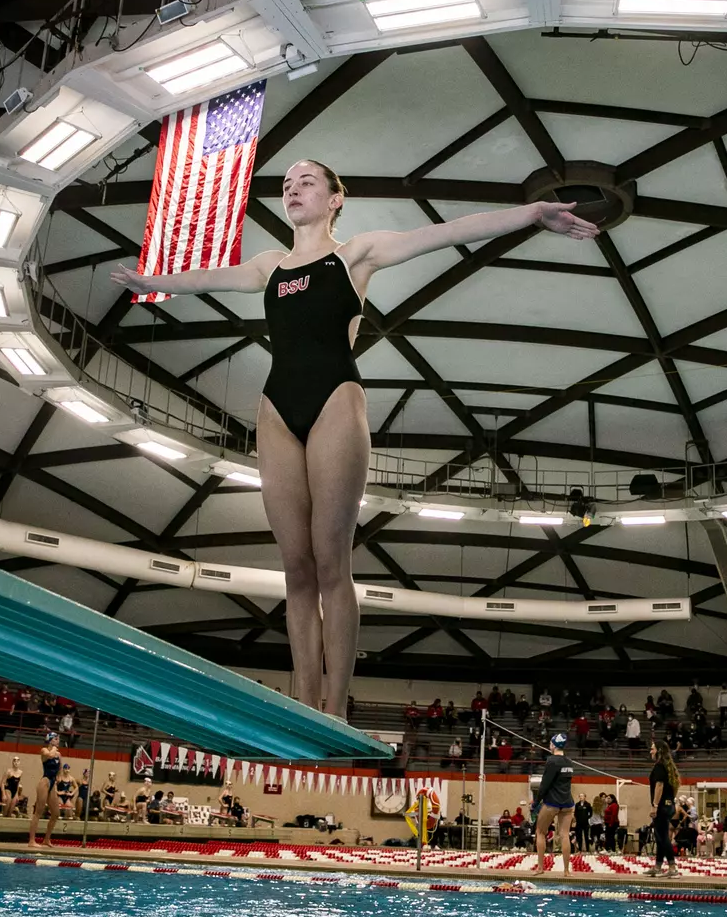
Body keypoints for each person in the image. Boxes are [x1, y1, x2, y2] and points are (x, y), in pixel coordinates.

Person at [114, 167, 595, 714]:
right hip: (276, 408)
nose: (293, 187)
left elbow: (448, 232)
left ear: (335, 199)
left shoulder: (355, 255)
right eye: (288, 182)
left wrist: (532, 214)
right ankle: (303, 701)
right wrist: (151, 283)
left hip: (335, 401)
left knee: (329, 561)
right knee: (295, 567)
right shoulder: (269, 266)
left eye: (307, 181)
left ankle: (335, 705)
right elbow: (208, 279)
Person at [532, 734, 577, 874]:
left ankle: (540, 868)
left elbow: (544, 784)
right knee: (565, 835)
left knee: (540, 832)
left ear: (553, 745)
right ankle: (566, 871)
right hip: (568, 803)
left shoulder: (552, 761)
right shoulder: (569, 762)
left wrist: (535, 803)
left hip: (552, 803)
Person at [646, 741, 681, 878]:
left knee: (663, 837)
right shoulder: (669, 767)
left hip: (661, 807)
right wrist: (670, 800)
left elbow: (659, 786)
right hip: (668, 805)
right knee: (659, 836)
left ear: (659, 750)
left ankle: (672, 868)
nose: (650, 751)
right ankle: (658, 866)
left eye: (652, 749)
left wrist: (655, 805)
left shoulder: (660, 766)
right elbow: (675, 786)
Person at [28, 732, 63, 848]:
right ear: (51, 740)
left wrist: (59, 778)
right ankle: (32, 841)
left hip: (53, 784)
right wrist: (53, 748)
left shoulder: (59, 754)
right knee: (39, 811)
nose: (58, 741)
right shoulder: (44, 750)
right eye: (56, 739)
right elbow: (50, 756)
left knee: (56, 813)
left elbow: (60, 769)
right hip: (45, 782)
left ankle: (46, 839)